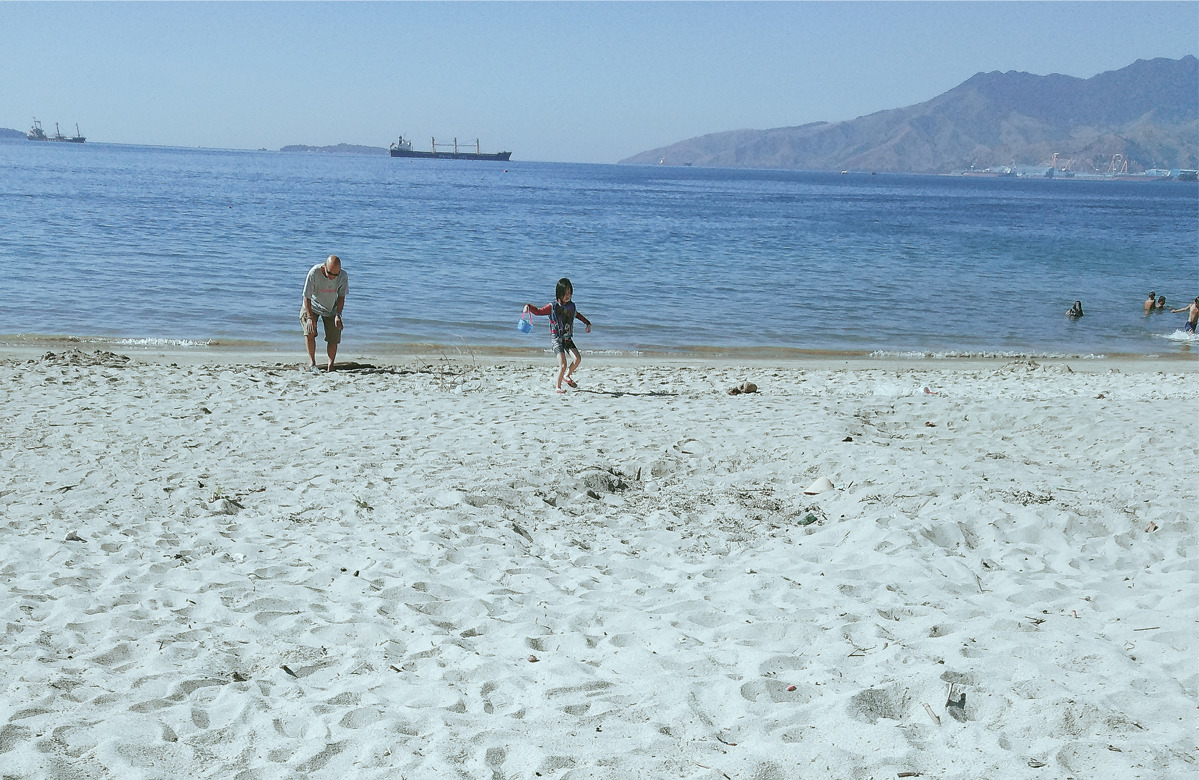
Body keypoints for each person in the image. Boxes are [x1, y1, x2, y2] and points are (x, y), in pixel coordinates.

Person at [524, 277, 592, 393]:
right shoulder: (552, 307)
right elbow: (539, 311)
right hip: (556, 339)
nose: (568, 296)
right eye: (565, 294)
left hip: (567, 339)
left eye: (569, 293)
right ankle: (558, 387)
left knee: (577, 359)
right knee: (563, 364)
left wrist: (587, 323)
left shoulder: (571, 306)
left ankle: (567, 375)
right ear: (559, 294)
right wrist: (529, 307)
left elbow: (577, 315)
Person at [301, 255, 348, 372]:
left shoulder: (343, 276)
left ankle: (330, 366)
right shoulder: (314, 272)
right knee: (310, 331)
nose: (332, 277)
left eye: (335, 275)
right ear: (325, 266)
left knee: (334, 336)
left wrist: (338, 315)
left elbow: (341, 297)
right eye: (330, 273)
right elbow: (306, 296)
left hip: (331, 307)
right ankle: (312, 363)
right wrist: (310, 317)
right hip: (312, 306)